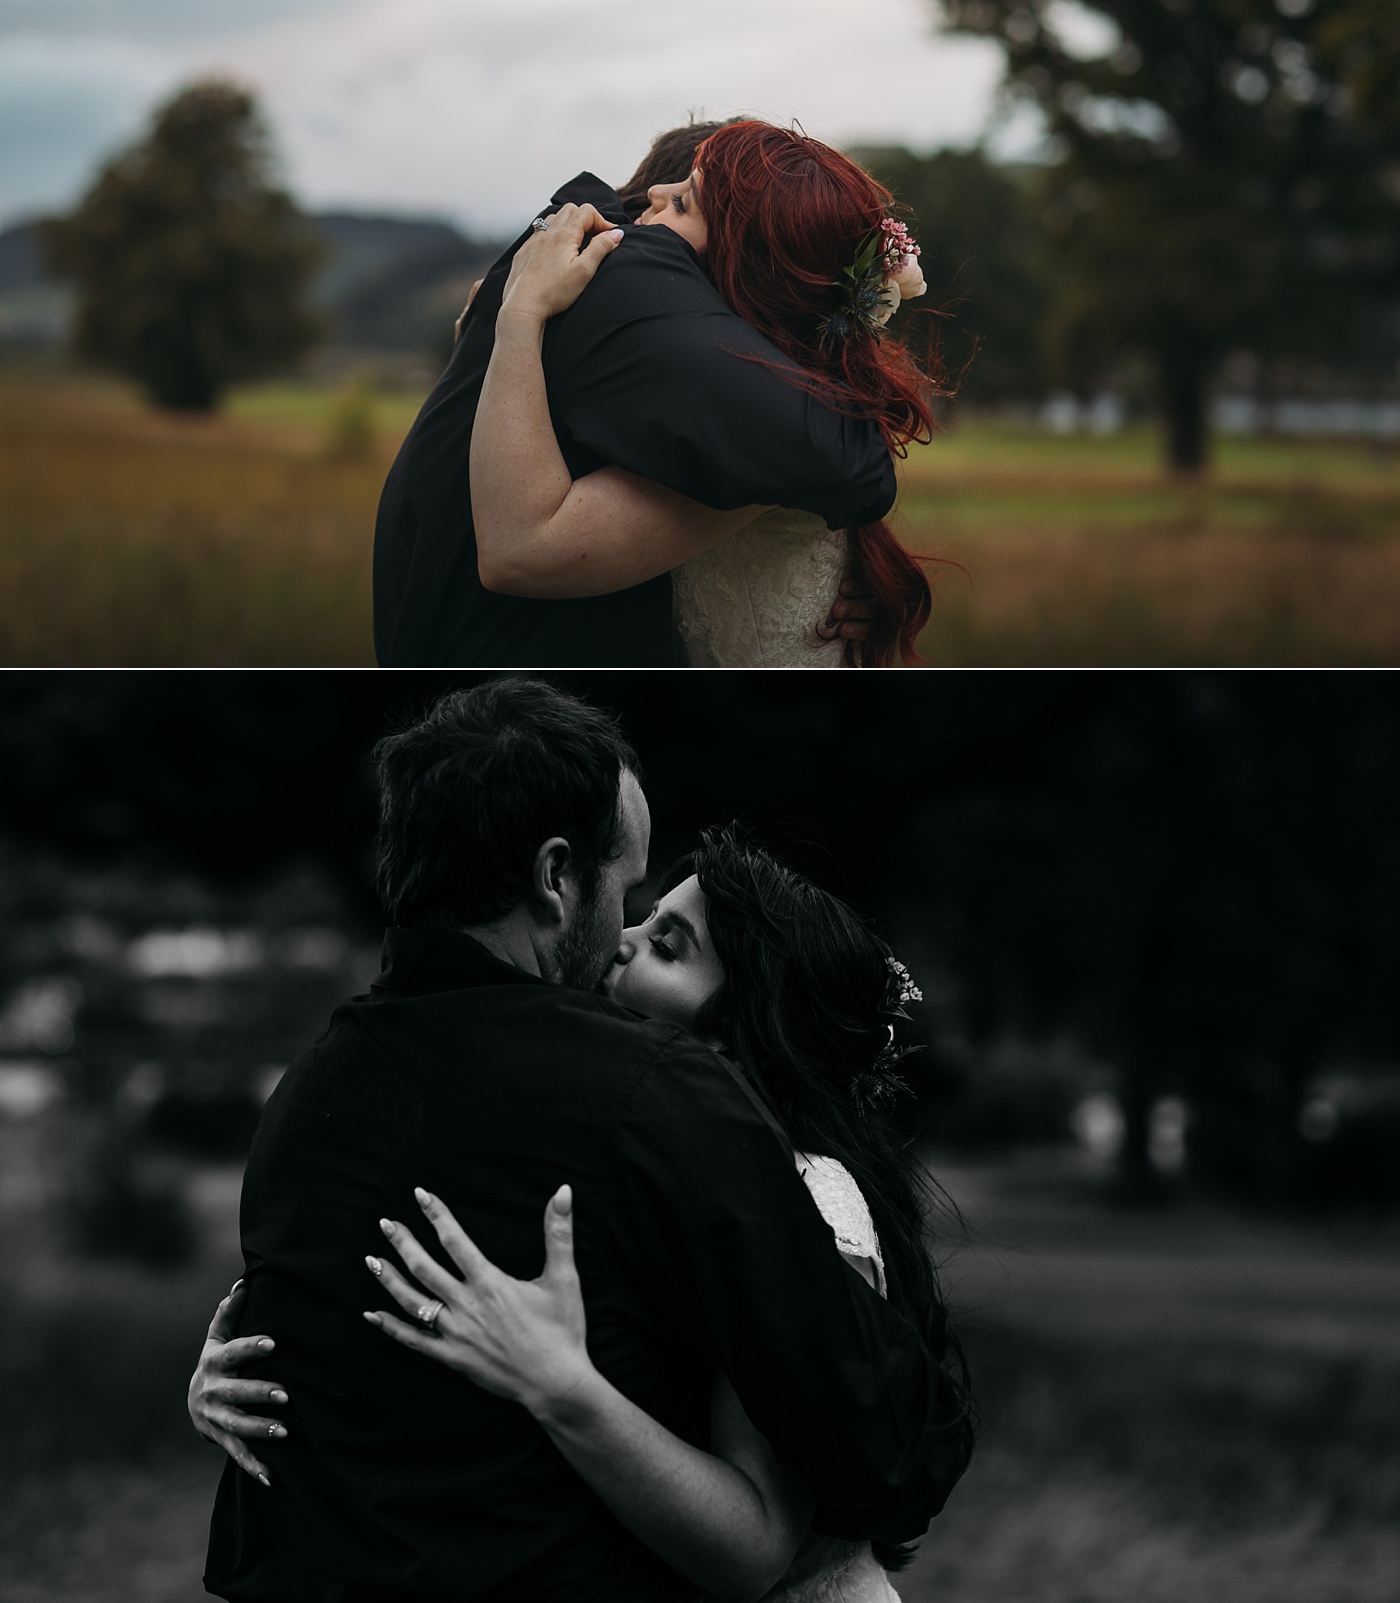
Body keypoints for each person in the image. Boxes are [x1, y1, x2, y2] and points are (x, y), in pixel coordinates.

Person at [192, 681, 972, 1603]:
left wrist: (228, 1385)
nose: (623, 931)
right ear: (556, 876)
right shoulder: (649, 1093)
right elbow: (883, 1449)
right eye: (625, 885)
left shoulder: (303, 1095)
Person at [372, 121, 914, 669]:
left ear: (732, 273)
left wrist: (522, 312)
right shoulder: (679, 386)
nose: (648, 204)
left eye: (682, 203)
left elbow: (522, 551)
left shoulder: (753, 424)